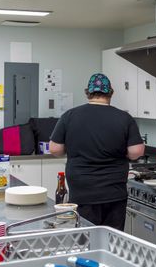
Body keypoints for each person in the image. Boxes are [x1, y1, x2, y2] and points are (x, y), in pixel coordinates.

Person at [48, 73, 144, 230]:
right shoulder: (124, 118)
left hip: (82, 191)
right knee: (111, 239)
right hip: (114, 192)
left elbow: (55, 149)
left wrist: (73, 146)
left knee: (86, 237)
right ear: (110, 93)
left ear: (88, 93)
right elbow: (136, 152)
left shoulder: (70, 116)